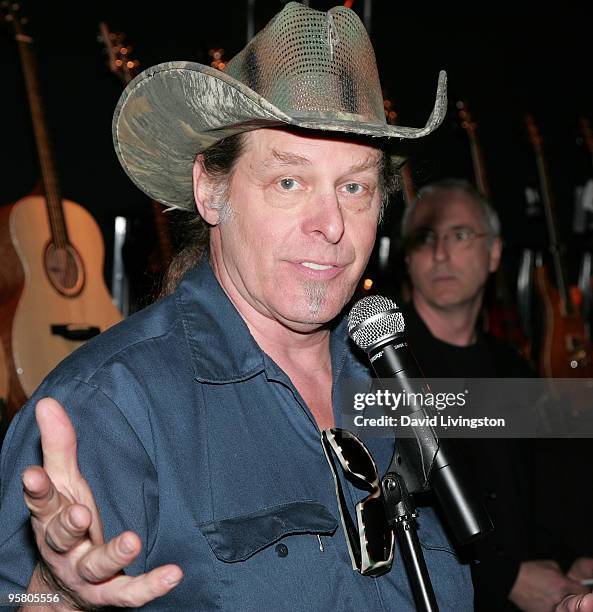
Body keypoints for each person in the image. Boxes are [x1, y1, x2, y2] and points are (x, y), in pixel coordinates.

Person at [0, 4, 477, 610]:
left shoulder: (393, 383)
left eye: (353, 186)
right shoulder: (109, 404)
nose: (331, 224)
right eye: (289, 182)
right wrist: (56, 592)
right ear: (212, 190)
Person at [399, 178, 593, 611]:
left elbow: (543, 485)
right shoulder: (383, 367)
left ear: (494, 254)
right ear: (408, 258)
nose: (441, 253)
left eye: (460, 235)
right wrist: (504, 577)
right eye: (426, 238)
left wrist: (573, 557)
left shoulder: (513, 369)